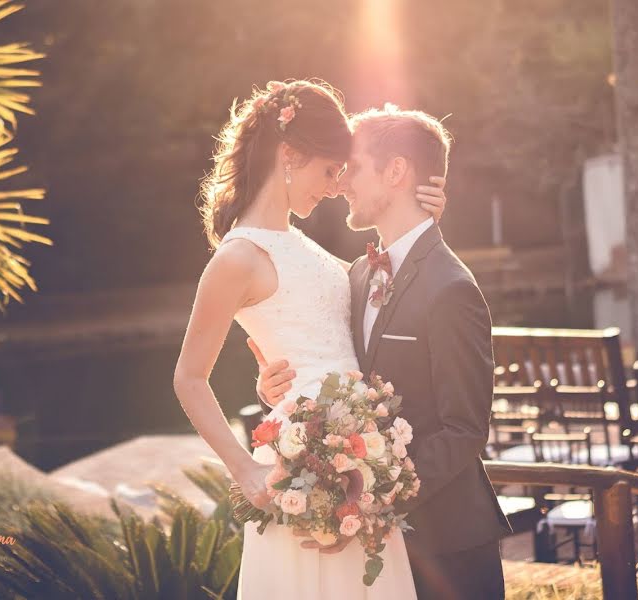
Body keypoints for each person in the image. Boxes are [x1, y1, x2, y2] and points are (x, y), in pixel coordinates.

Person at [172, 79, 447, 600]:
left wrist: (423, 225)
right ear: (289, 155)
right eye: (328, 172)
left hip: (360, 460)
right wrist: (246, 469)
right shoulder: (236, 259)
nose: (333, 187)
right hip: (304, 467)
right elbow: (188, 378)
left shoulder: (305, 246)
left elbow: (377, 306)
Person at [253, 104, 512, 599]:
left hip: (448, 545)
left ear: (395, 171)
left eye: (353, 167)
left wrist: (376, 493)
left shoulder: (451, 288)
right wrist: (274, 390)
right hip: (374, 549)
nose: (341, 182)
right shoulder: (357, 274)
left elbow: (465, 429)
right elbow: (334, 367)